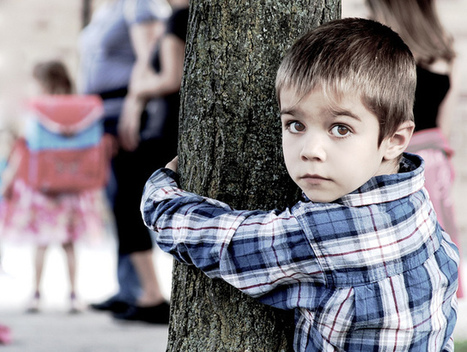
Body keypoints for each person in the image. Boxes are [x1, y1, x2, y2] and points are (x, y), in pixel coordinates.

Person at [140, 18, 459, 351]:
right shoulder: (415, 202)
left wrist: (162, 195)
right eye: (295, 124)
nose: (310, 151)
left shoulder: (323, 234)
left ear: (394, 140)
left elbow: (219, 241)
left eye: (340, 129)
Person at [79, 0, 174, 323]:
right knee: (117, 198)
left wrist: (133, 108)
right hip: (102, 112)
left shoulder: (139, 3)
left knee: (126, 198)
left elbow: (148, 57)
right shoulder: (106, 10)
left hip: (124, 111)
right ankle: (130, 288)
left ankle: (146, 292)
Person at [365, 0, 464, 299]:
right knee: (436, 241)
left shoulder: (379, 52)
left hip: (397, 161)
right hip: (435, 159)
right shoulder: (444, 48)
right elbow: (443, 121)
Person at [0, 60, 108, 313]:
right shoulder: (84, 108)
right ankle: (73, 295)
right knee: (69, 244)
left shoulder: (36, 110)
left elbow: (24, 147)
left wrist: (8, 180)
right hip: (73, 187)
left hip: (43, 189)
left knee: (41, 243)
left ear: (45, 83)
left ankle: (36, 294)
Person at [111, 0, 189, 323]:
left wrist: (137, 94)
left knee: (127, 195)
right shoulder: (179, 18)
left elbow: (173, 78)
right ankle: (150, 292)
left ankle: (151, 294)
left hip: (169, 130)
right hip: (171, 128)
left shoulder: (179, 17)